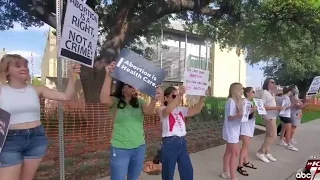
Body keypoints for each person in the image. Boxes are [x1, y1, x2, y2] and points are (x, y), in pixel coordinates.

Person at [0, 54, 80, 180]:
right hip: (10, 141)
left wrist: (72, 78)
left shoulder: (37, 89)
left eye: (25, 65)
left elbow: (65, 97)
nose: (24, 68)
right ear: (6, 70)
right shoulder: (1, 90)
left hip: (36, 139)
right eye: (18, 65)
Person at [100, 61, 162, 180]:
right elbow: (103, 100)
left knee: (134, 178)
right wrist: (108, 76)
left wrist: (154, 100)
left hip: (139, 148)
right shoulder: (115, 101)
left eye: (135, 85)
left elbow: (149, 111)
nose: (134, 87)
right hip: (120, 149)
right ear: (122, 88)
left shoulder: (139, 102)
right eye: (130, 85)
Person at [158, 85, 205, 180]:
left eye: (178, 95)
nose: (177, 98)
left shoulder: (180, 109)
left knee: (187, 170)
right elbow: (167, 110)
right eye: (174, 96)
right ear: (166, 98)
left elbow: (196, 110)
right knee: (168, 171)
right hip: (169, 142)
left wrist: (202, 97)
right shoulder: (161, 109)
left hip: (182, 142)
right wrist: (179, 95)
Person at [256, 78, 283, 163]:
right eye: (272, 82)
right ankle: (261, 152)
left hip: (272, 116)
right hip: (268, 117)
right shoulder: (265, 92)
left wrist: (278, 108)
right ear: (267, 83)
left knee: (268, 135)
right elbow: (262, 106)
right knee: (273, 136)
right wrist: (276, 108)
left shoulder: (271, 93)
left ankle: (267, 152)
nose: (274, 84)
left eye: (274, 82)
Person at [220, 83, 243, 180]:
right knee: (235, 153)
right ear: (236, 90)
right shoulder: (231, 101)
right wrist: (240, 114)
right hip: (231, 131)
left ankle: (225, 172)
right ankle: (233, 177)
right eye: (241, 89)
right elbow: (230, 118)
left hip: (234, 130)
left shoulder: (235, 101)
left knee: (229, 152)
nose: (242, 91)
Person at [237, 87, 257, 176]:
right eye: (253, 92)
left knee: (246, 146)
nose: (254, 93)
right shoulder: (244, 102)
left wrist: (255, 111)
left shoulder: (249, 102)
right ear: (248, 93)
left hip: (249, 126)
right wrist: (253, 110)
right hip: (245, 127)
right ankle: (240, 165)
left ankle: (245, 161)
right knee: (245, 146)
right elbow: (244, 115)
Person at [277, 86, 298, 151]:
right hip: (286, 116)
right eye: (292, 91)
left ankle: (281, 141)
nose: (293, 93)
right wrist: (292, 105)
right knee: (288, 131)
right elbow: (285, 107)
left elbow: (280, 107)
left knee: (283, 129)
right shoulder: (286, 98)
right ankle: (289, 144)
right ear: (290, 91)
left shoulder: (281, 97)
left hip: (281, 115)